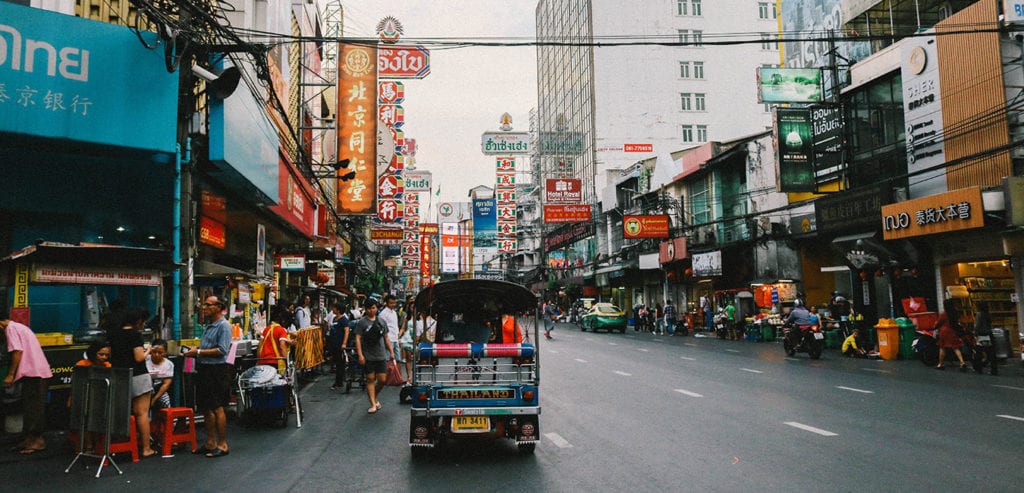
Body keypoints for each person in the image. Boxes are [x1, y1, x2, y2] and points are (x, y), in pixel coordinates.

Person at [185, 295, 233, 458]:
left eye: (208, 305)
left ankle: (223, 443)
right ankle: (210, 442)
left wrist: (198, 352)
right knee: (206, 406)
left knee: (217, 406)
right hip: (204, 368)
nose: (204, 307)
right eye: (204, 304)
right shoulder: (209, 325)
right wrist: (196, 351)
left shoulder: (224, 326)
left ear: (219, 307)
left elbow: (222, 350)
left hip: (216, 370)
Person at [108, 307, 157, 459]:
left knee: (122, 412)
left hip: (120, 376)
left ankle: (119, 444)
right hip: (138, 376)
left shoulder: (113, 334)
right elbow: (139, 358)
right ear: (138, 321)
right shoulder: (135, 335)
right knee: (141, 413)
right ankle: (146, 448)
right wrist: (148, 350)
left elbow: (110, 355)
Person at [1, 310, 53, 455]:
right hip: (34, 372)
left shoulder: (11, 329)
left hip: (35, 373)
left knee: (34, 408)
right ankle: (28, 439)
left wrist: (10, 375)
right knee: (30, 406)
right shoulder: (19, 327)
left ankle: (37, 441)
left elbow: (17, 351)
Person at [354, 299, 394, 414]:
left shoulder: (381, 321)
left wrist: (391, 352)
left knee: (382, 380)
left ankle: (374, 396)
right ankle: (372, 403)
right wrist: (360, 355)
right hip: (368, 356)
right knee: (370, 379)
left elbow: (386, 337)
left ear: (376, 308)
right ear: (365, 309)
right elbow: (357, 338)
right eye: (369, 308)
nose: (371, 310)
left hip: (381, 355)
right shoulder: (362, 323)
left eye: (373, 308)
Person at [935, 298, 967, 371]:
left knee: (942, 347)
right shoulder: (955, 313)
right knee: (955, 347)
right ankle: (962, 362)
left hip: (944, 332)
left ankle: (940, 364)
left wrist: (934, 326)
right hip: (953, 331)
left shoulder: (943, 314)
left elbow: (938, 323)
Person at [379, 295, 404, 382]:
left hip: (395, 338)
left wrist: (398, 338)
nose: (393, 304)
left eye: (394, 303)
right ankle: (386, 379)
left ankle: (398, 378)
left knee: (398, 359)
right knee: (388, 359)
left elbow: (395, 326)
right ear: (386, 303)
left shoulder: (394, 312)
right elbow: (382, 329)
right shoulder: (383, 314)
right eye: (391, 303)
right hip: (388, 339)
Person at [258, 309, 293, 374]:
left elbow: (260, 345)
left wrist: (258, 359)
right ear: (283, 321)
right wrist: (286, 360)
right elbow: (282, 346)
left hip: (263, 361)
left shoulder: (266, 329)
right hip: (275, 362)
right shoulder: (281, 330)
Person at [146, 339, 174, 412]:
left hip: (159, 391)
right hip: (145, 390)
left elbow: (166, 385)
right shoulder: (145, 360)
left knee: (166, 403)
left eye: (160, 352)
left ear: (165, 353)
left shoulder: (169, 365)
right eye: (154, 352)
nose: (156, 355)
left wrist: (154, 400)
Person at [327, 303, 350, 390]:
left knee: (340, 364)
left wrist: (344, 343)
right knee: (337, 363)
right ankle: (338, 381)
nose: (333, 309)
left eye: (334, 308)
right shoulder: (334, 318)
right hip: (334, 344)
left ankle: (338, 382)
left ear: (338, 310)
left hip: (340, 345)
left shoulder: (343, 320)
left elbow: (347, 332)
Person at [973, 301, 997, 375]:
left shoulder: (979, 314)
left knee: (978, 352)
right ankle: (994, 369)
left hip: (981, 335)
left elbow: (977, 325)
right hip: (989, 334)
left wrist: (975, 334)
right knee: (991, 353)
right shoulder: (987, 314)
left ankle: (979, 368)